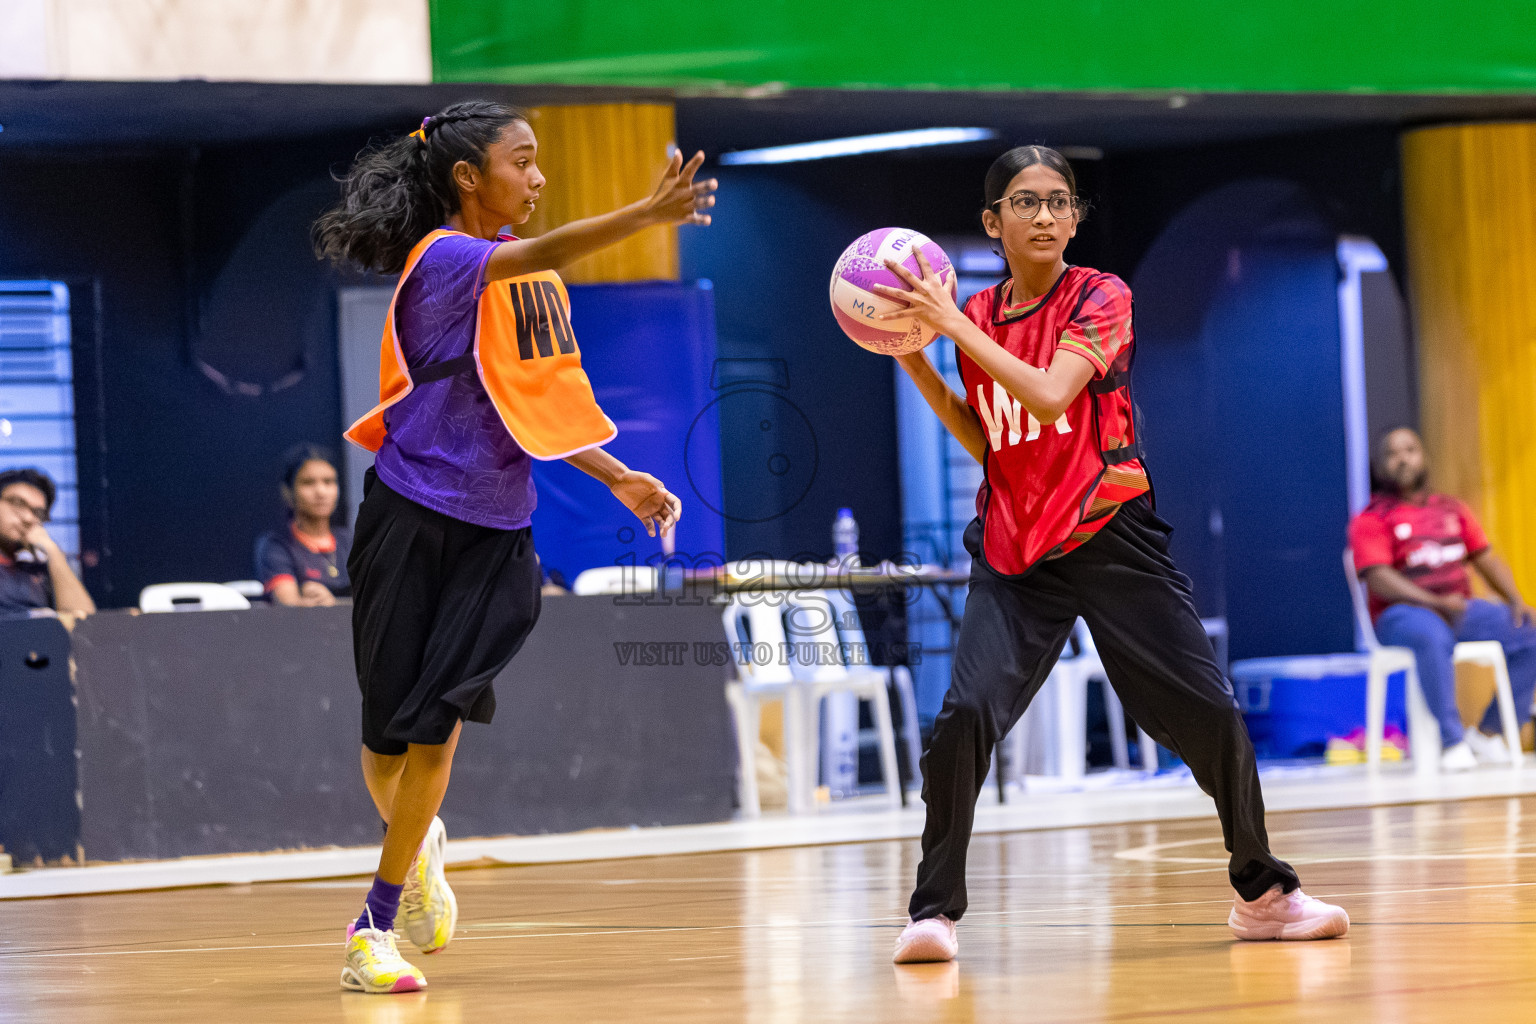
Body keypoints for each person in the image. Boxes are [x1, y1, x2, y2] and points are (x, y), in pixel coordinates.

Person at [871, 146, 1348, 964]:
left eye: (1060, 201)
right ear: (992, 223)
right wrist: (914, 358)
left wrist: (946, 326)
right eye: (1026, 202)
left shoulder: (1101, 295)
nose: (1047, 215)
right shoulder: (976, 315)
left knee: (1209, 712)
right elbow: (992, 440)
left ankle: (1265, 895)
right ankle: (932, 913)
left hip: (1107, 530)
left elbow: (1049, 394)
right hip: (1015, 548)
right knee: (964, 717)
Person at [312, 99, 711, 994]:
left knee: (436, 729)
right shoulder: (448, 258)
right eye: (521, 162)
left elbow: (535, 399)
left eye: (537, 162)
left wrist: (618, 475)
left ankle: (373, 925)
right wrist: (646, 215)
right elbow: (546, 248)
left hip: (498, 529)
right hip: (410, 515)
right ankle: (417, 844)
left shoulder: (530, 283)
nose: (537, 177)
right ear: (468, 176)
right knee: (385, 735)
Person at [1348, 426, 1536, 771]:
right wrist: (1434, 603)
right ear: (1379, 466)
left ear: (1424, 458)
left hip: (1459, 610)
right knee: (1431, 634)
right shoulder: (1371, 518)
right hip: (1400, 616)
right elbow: (1379, 578)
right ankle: (1452, 741)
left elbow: (1485, 557)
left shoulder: (1452, 509)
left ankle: (1488, 734)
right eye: (1392, 454)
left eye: (1410, 450)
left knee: (1528, 631)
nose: (1402, 459)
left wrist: (1516, 600)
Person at [254, 447, 353, 607]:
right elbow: (289, 607)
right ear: (288, 492)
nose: (321, 492)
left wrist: (334, 604)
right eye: (308, 483)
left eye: (328, 482)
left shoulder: (352, 541)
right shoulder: (277, 546)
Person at [0, 467, 94, 618]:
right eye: (17, 503)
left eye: (38, 513)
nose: (28, 518)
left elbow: (84, 622)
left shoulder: (38, 567)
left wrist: (53, 552)